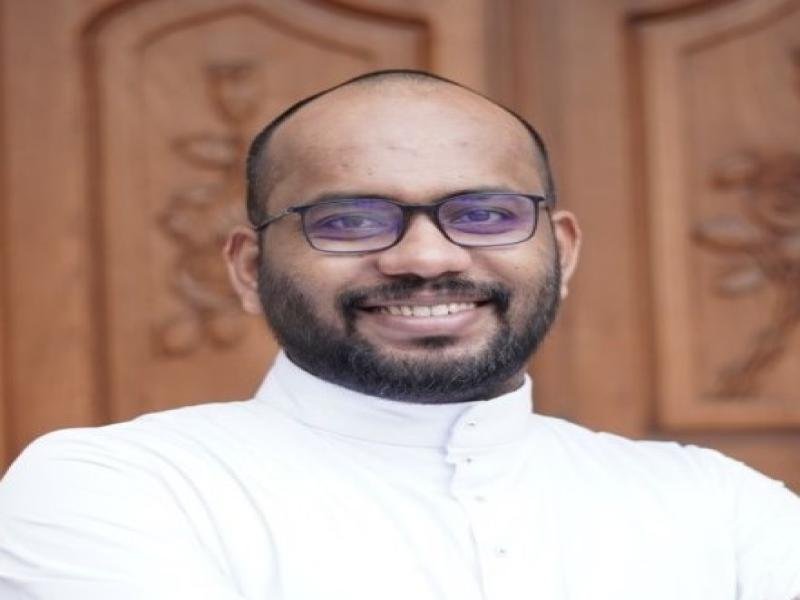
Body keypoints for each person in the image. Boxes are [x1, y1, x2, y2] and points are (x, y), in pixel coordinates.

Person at [0, 70, 798, 600]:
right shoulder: (121, 487)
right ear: (248, 268)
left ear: (563, 252)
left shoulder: (719, 507)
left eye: (484, 213)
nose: (425, 258)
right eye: (350, 220)